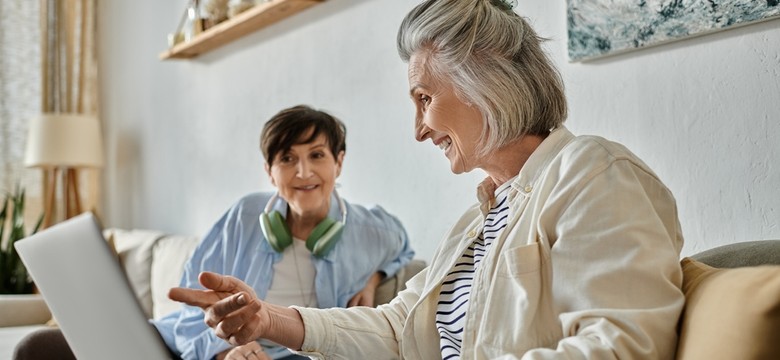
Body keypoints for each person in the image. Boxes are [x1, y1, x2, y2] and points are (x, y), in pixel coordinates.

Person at [169, 1, 685, 359]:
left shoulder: (592, 174)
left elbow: (621, 348)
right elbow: (398, 329)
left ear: (488, 84)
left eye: (424, 99)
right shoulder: (477, 220)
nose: (419, 131)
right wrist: (265, 320)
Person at [13, 105, 415, 360]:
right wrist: (227, 350)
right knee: (36, 348)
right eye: (287, 158)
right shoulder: (244, 215)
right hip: (206, 350)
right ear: (268, 171)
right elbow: (192, 304)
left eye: (317, 156)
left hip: (288, 356)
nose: (303, 173)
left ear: (339, 163)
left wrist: (375, 276)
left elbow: (402, 245)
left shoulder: (370, 230)